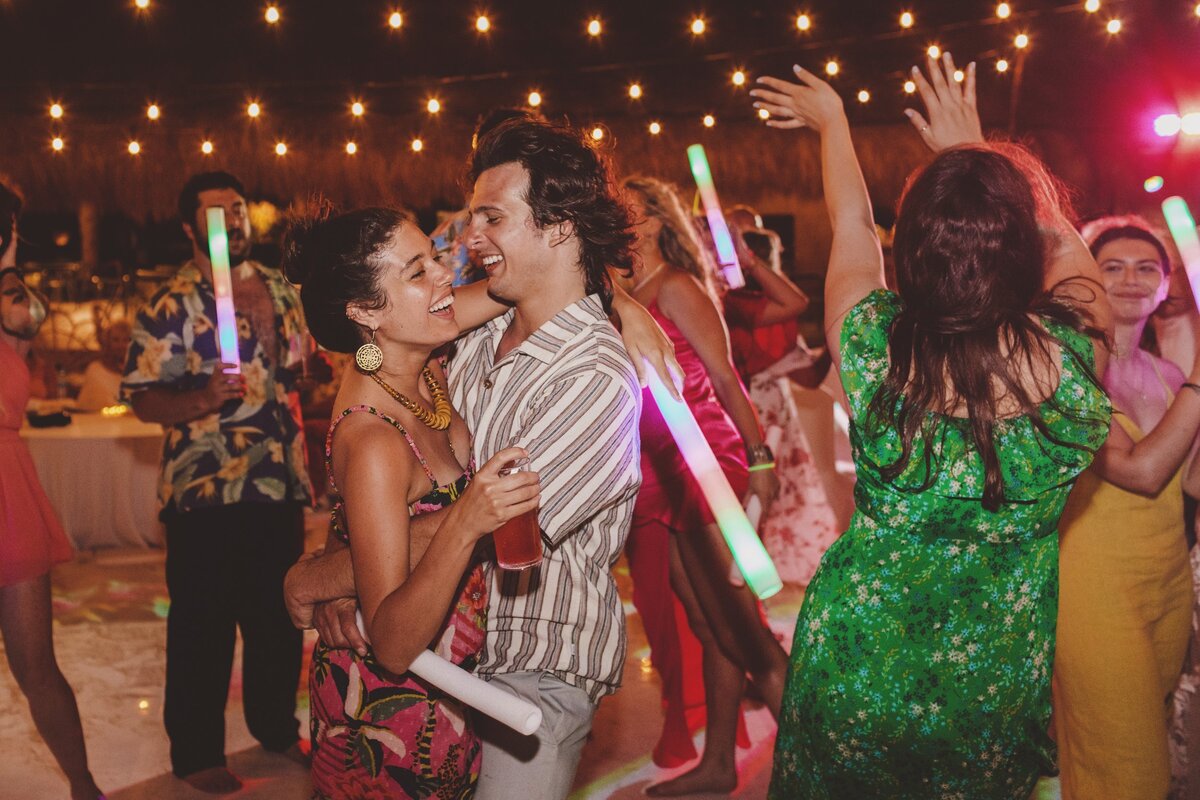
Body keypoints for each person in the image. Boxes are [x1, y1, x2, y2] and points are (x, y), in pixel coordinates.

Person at [285, 118, 684, 800]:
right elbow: (385, 481)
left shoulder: (592, 376)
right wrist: (352, 576)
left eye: (492, 218)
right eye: (469, 221)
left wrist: (323, 579)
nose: (465, 246)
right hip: (433, 669)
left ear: (558, 225)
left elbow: (499, 526)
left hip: (530, 673)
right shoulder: (474, 327)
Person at [752, 54, 1112, 797]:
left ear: (907, 256)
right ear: (1020, 256)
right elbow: (1063, 240)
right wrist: (981, 157)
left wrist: (833, 122)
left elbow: (850, 220)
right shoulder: (1076, 367)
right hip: (989, 682)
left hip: (855, 663)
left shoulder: (867, 347)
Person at [282, 205, 542, 798]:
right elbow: (393, 643)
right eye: (417, 271)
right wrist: (468, 520)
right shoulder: (374, 440)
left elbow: (521, 287)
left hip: (450, 686)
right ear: (366, 311)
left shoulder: (421, 362)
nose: (445, 276)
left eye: (436, 257)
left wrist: (626, 310)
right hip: (387, 718)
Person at [121, 171, 312, 794]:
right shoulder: (172, 301)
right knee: (202, 621)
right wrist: (202, 395)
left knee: (277, 616)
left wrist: (340, 363)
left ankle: (275, 724)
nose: (232, 221)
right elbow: (141, 399)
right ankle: (198, 751)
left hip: (280, 478)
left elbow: (315, 365)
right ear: (188, 228)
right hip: (205, 488)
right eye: (214, 213)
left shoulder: (284, 289)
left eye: (237, 208)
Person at [618, 175, 789, 796]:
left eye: (632, 214)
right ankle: (718, 764)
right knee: (710, 623)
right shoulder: (624, 294)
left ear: (662, 222)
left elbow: (724, 376)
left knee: (748, 635)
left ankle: (826, 771)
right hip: (663, 472)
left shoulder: (675, 286)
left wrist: (762, 460)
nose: (623, 224)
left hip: (707, 461)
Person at [1052, 218, 1200, 800]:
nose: (1132, 279)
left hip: (1166, 584)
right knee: (1127, 768)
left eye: (1148, 269)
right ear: (1085, 278)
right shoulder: (1067, 371)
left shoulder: (1167, 374)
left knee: (1145, 746)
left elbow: (1189, 484)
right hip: (1095, 588)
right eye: (1112, 266)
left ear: (1167, 288)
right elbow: (1139, 472)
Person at [0, 184, 104, 800]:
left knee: (35, 664)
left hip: (8, 494)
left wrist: (8, 265)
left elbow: (29, 316)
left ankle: (84, 786)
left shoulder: (12, 299)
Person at [722, 205, 841, 586]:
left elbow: (806, 375)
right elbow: (798, 303)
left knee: (767, 501)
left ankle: (752, 582)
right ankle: (745, 584)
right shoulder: (735, 308)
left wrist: (833, 337)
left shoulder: (757, 313)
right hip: (751, 416)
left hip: (772, 419)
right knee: (754, 501)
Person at [77, 319, 132, 410]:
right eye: (116, 340)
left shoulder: (139, 371)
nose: (121, 345)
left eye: (126, 340)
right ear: (107, 343)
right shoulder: (95, 370)